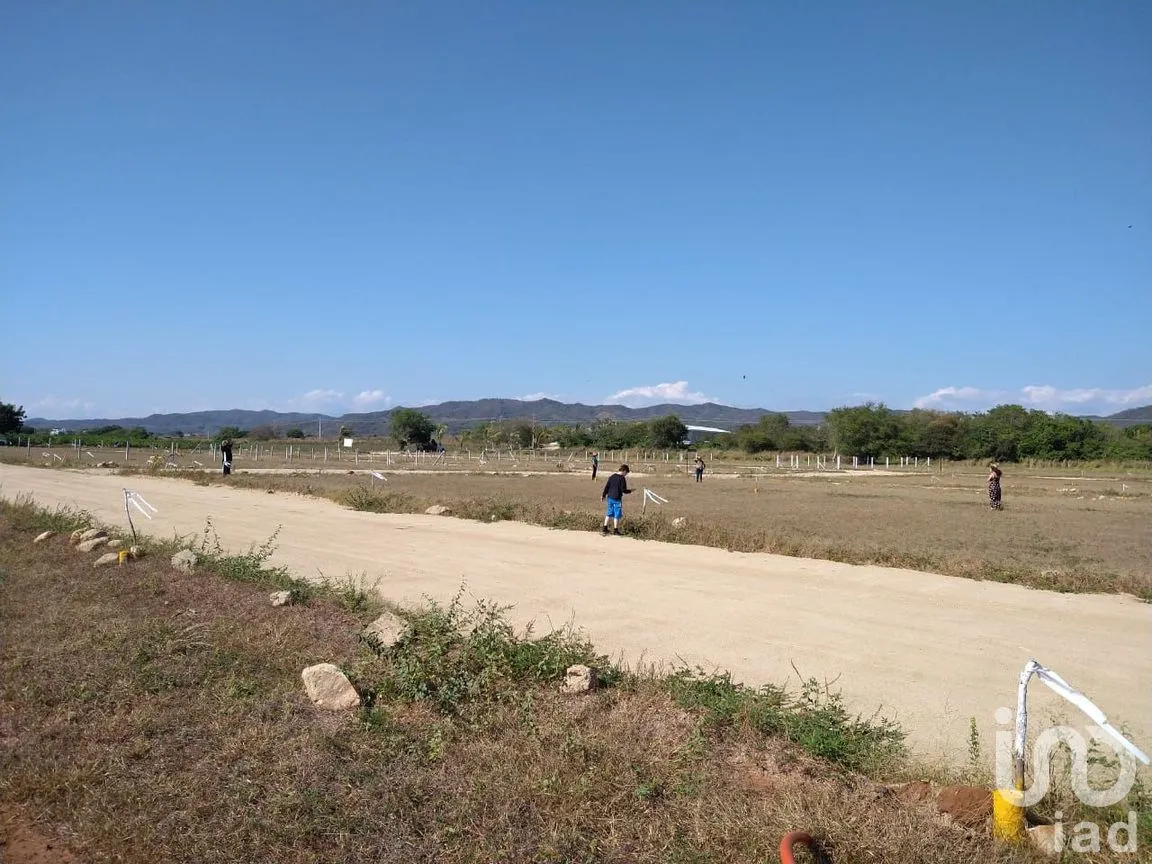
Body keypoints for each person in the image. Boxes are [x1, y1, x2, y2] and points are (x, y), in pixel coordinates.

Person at [601, 464, 632, 535]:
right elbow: (624, 490)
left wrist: (603, 495)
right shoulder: (622, 478)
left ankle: (604, 528)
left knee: (609, 512)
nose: (626, 475)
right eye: (626, 473)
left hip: (609, 497)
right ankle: (615, 530)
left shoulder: (612, 476)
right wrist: (631, 491)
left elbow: (607, 487)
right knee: (617, 514)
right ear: (624, 471)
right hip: (617, 499)